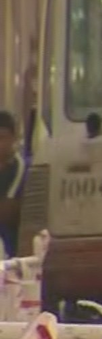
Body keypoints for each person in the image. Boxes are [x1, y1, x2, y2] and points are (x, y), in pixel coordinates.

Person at [0, 111, 27, 259]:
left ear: (13, 138)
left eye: (2, 138)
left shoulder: (23, 168)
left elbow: (9, 212)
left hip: (12, 251)